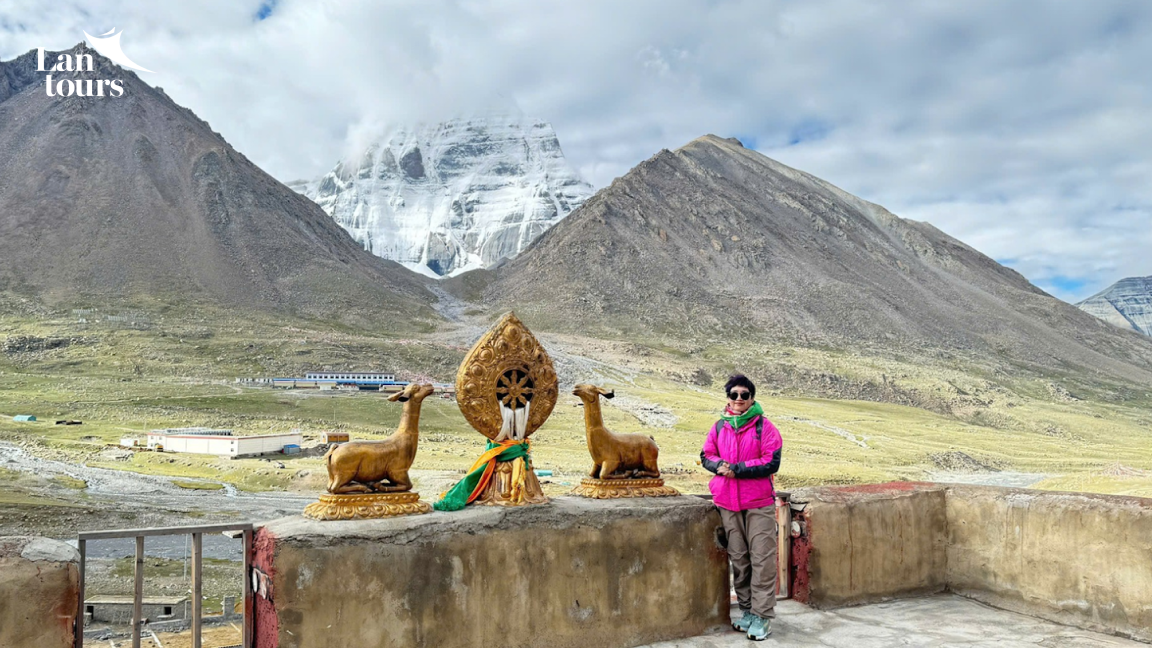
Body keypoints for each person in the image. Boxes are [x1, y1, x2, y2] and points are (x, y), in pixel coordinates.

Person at [700, 374, 783, 641]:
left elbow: (771, 462)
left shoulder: (765, 428)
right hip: (727, 504)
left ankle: (762, 616)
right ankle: (747, 612)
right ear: (727, 398)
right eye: (733, 394)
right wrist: (719, 467)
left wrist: (738, 469)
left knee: (762, 560)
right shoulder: (719, 427)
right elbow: (706, 455)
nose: (738, 399)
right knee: (740, 560)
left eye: (744, 395)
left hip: (758, 504)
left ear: (752, 398)